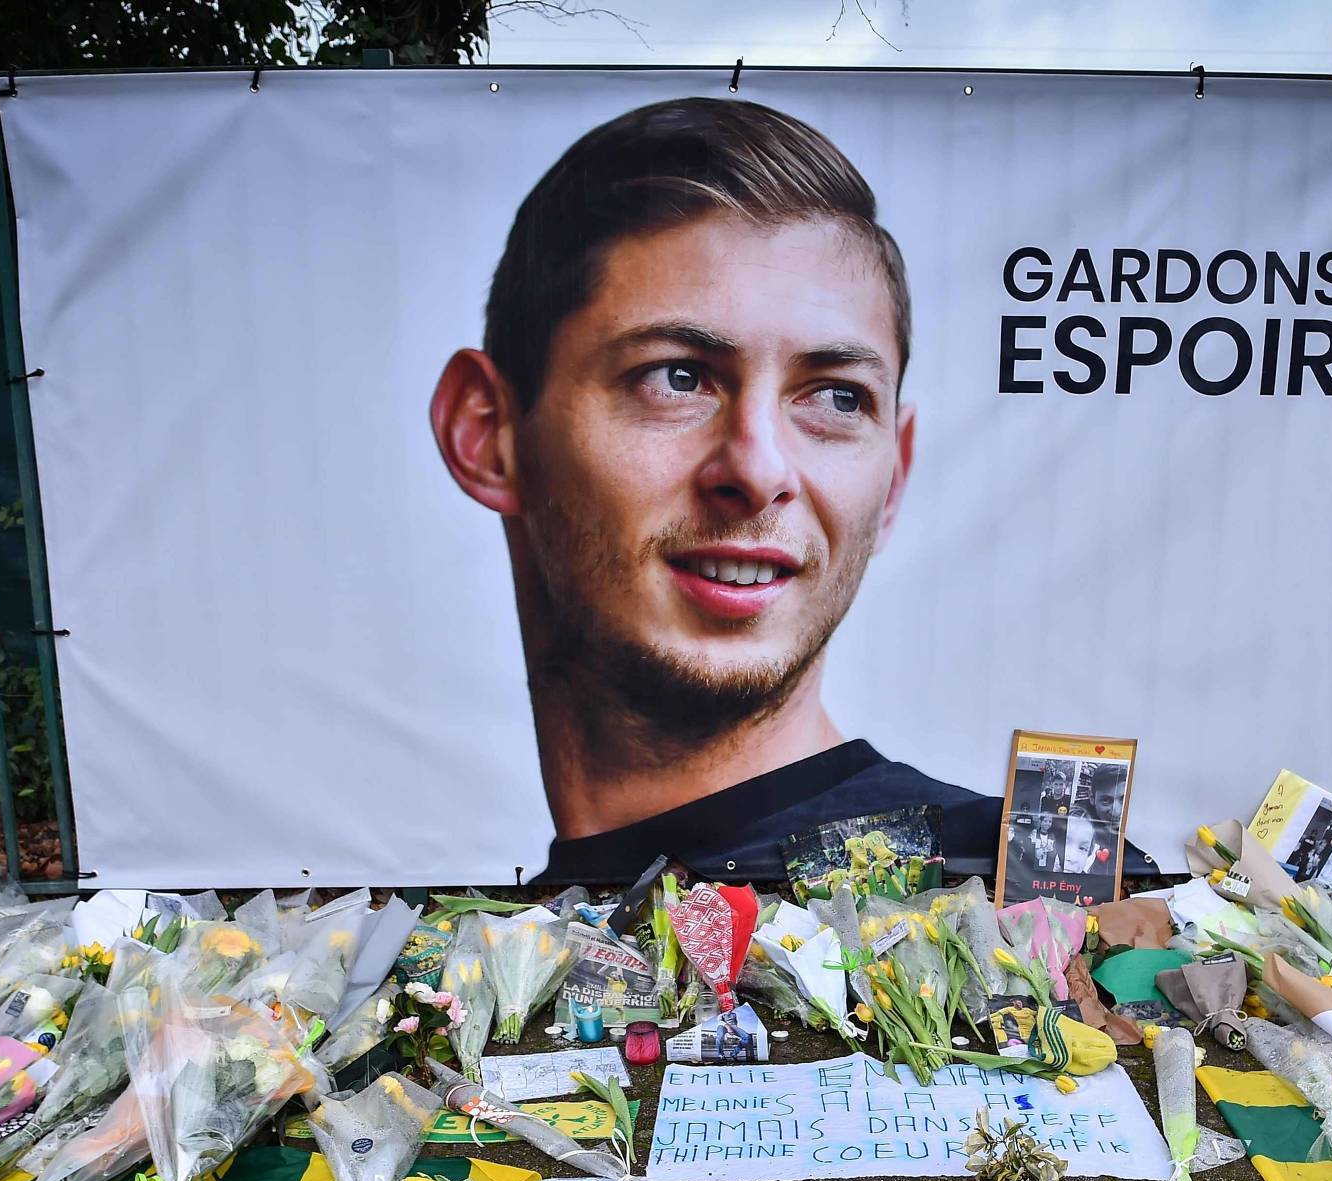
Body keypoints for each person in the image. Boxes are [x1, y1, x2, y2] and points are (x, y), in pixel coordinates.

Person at [430, 95, 1003, 883]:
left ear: (894, 476)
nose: (759, 471)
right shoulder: (443, 955)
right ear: (488, 432)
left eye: (838, 397)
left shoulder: (1025, 904)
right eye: (676, 377)